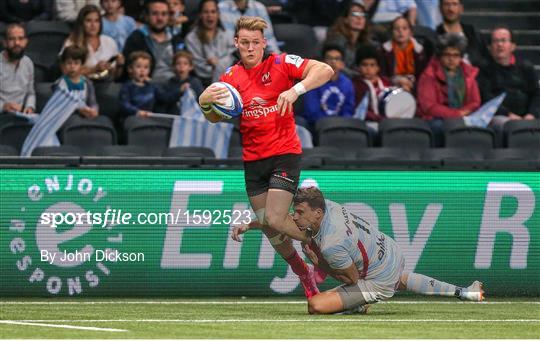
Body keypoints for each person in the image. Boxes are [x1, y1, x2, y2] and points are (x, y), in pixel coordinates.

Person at [198, 16, 334, 298]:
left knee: (273, 217)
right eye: (244, 43)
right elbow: (214, 118)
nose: (250, 48)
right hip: (253, 161)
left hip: (284, 154)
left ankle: (318, 250)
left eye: (255, 43)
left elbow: (325, 69)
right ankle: (305, 276)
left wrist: (296, 89)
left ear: (264, 43)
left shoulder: (282, 63)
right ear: (236, 43)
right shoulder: (229, 79)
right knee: (275, 235)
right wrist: (206, 103)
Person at [232, 186, 485, 314]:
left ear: (316, 213)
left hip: (376, 278)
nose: (295, 217)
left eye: (299, 213)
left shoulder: (331, 243)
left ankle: (360, 303)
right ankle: (465, 292)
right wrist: (252, 225)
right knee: (399, 279)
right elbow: (286, 222)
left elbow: (350, 278)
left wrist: (317, 262)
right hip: (389, 251)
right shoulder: (326, 206)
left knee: (316, 306)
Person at [417, 33, 481, 143]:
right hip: (437, 119)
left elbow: (475, 101)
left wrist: (463, 113)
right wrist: (456, 114)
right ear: (440, 56)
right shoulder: (429, 75)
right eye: (447, 55)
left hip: (463, 116)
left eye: (455, 55)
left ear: (461, 57)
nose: (451, 59)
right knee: (442, 127)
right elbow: (428, 106)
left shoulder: (468, 74)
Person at [478, 26, 539, 131]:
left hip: (527, 115)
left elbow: (537, 94)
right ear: (490, 47)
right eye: (495, 41)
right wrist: (509, 114)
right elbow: (487, 98)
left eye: (503, 41)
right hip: (499, 116)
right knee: (507, 126)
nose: (499, 44)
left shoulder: (526, 67)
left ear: (513, 46)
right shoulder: (483, 69)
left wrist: (531, 114)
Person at [123, 0, 184, 83]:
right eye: (155, 14)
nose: (160, 18)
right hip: (147, 86)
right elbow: (127, 69)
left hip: (175, 84)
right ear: (146, 16)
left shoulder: (176, 38)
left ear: (168, 16)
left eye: (164, 14)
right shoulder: (136, 38)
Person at [62, 4, 124, 81]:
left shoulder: (109, 42)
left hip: (106, 84)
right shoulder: (71, 42)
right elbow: (65, 71)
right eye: (88, 21)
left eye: (96, 21)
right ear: (82, 23)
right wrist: (94, 69)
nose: (93, 25)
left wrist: (120, 65)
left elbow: (116, 76)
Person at [185, 0, 236, 86]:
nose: (210, 15)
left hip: (230, 80)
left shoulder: (228, 35)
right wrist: (219, 66)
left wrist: (217, 64)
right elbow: (198, 67)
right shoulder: (191, 38)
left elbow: (234, 58)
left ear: (218, 14)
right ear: (200, 15)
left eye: (213, 12)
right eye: (206, 12)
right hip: (204, 83)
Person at [302, 44, 355, 127]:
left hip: (340, 126)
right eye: (329, 58)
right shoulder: (313, 80)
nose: (333, 62)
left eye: (337, 59)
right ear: (322, 62)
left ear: (342, 64)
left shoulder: (347, 83)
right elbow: (312, 111)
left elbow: (348, 110)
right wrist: (330, 124)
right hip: (316, 125)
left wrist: (342, 124)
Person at [324, 0, 374, 77]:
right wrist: (360, 76)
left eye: (362, 15)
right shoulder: (337, 40)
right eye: (354, 14)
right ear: (345, 19)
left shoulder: (365, 42)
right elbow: (337, 67)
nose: (359, 18)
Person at [379, 16, 428, 93]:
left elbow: (423, 76)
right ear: (391, 32)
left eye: (404, 28)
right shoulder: (384, 50)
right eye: (396, 29)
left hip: (414, 86)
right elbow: (382, 75)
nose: (400, 31)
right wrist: (397, 81)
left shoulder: (419, 51)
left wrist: (412, 84)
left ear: (411, 32)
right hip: (392, 87)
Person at [436, 0, 489, 67]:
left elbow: (486, 61)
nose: (451, 9)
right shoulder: (434, 38)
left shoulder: (475, 36)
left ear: (461, 8)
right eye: (446, 4)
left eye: (454, 4)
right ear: (440, 8)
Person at [0, 24, 36, 119]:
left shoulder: (28, 63)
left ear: (26, 41)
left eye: (20, 39)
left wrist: (29, 107)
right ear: (4, 42)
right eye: (12, 39)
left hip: (21, 115)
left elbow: (30, 93)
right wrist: (3, 106)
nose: (17, 43)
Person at [55, 45, 99, 119]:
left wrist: (94, 110)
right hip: (66, 117)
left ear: (82, 65)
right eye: (69, 63)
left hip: (86, 116)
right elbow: (60, 105)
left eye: (76, 63)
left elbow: (92, 102)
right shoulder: (60, 84)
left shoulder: (87, 83)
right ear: (63, 64)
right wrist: (79, 109)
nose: (72, 66)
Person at [351, 45, 392, 124]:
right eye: (364, 65)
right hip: (365, 123)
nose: (368, 69)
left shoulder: (386, 82)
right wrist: (380, 119)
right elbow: (359, 109)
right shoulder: (355, 84)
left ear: (378, 67)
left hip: (387, 121)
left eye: (372, 65)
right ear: (358, 67)